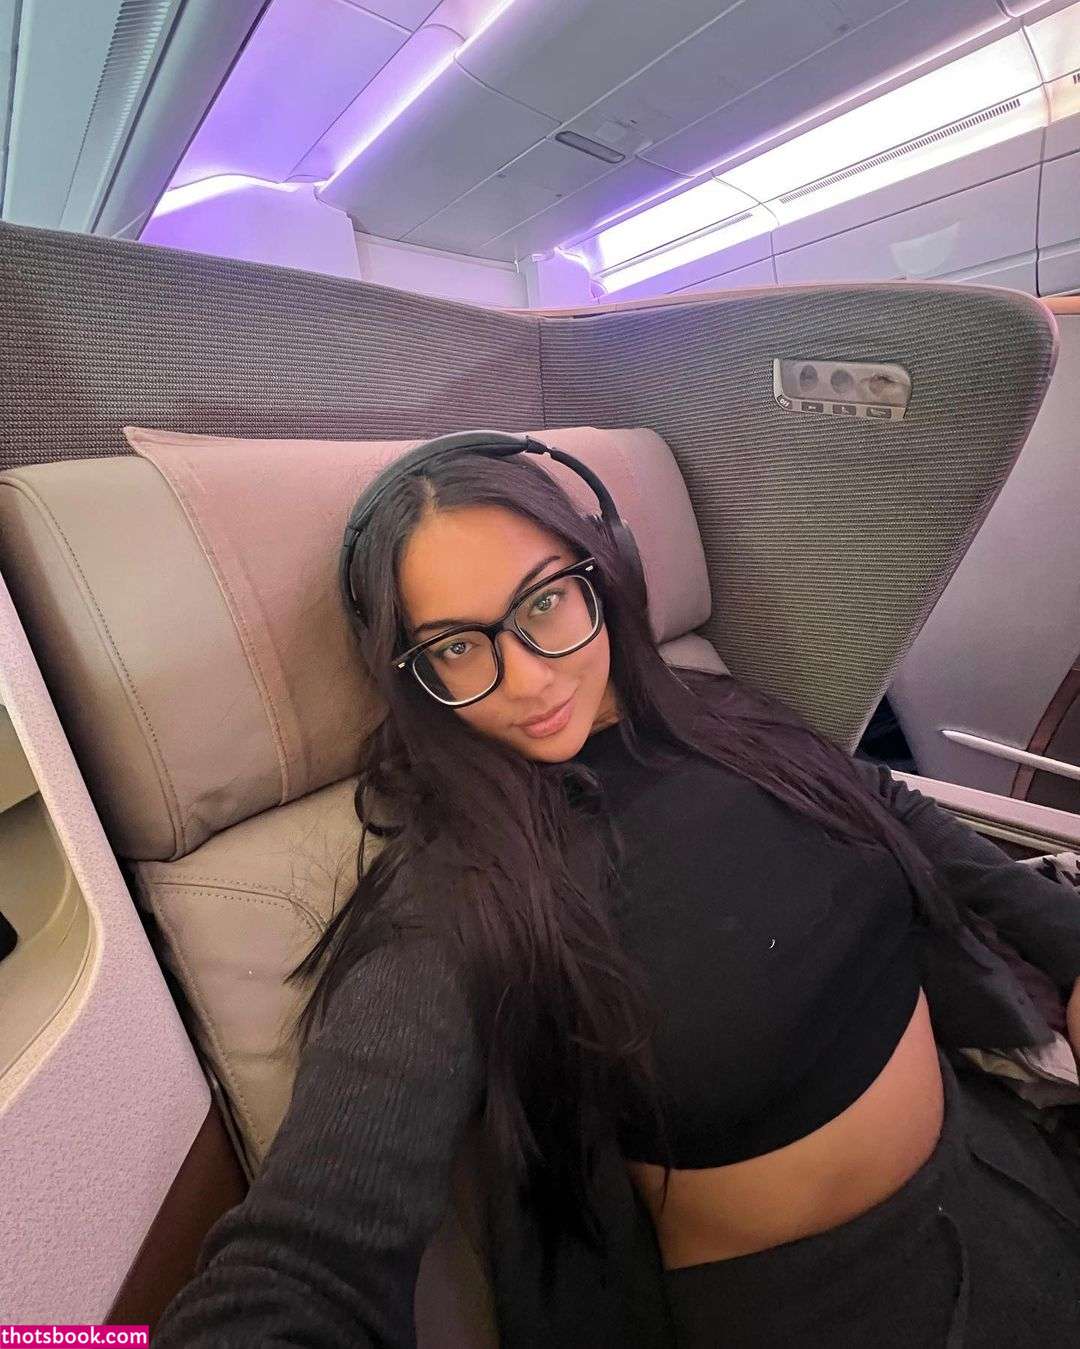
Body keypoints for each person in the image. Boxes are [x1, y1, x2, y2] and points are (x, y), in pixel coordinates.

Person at [153, 440, 1080, 1347]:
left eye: (544, 600)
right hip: (831, 1308)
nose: (529, 677)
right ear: (415, 676)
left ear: (605, 573)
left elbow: (890, 807)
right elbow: (308, 1255)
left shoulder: (722, 714)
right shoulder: (456, 895)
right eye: (458, 646)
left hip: (1003, 1169)